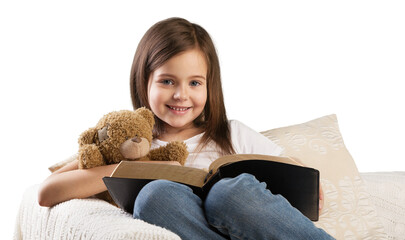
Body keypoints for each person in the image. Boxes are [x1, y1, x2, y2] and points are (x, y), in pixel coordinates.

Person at [38, 17, 334, 240]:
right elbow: (47, 192)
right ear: (144, 83)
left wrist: (302, 170)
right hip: (179, 216)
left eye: (194, 83)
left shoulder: (231, 133)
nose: (181, 95)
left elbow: (288, 167)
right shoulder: (131, 144)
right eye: (167, 81)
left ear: (210, 86)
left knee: (228, 193)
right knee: (156, 195)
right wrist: (140, 168)